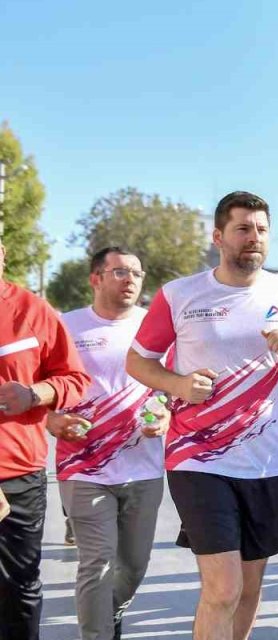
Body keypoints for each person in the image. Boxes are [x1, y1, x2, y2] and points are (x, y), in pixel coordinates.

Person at [127, 191, 278, 640]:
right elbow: (138, 361)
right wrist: (179, 385)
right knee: (223, 589)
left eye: (261, 229)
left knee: (248, 588)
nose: (253, 238)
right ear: (219, 236)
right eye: (243, 228)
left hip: (269, 462)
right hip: (197, 458)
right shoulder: (179, 295)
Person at [44, 247, 167, 640]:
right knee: (96, 562)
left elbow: (173, 389)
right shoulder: (66, 326)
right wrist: (53, 419)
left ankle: (109, 613)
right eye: (119, 272)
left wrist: (166, 415)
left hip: (144, 466)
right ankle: (97, 633)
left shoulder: (157, 328)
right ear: (95, 278)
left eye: (136, 272)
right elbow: (43, 388)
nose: (130, 279)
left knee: (132, 566)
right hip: (83, 466)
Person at [0, 237, 92, 639]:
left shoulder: (32, 311)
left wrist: (34, 394)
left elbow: (75, 378)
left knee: (17, 586)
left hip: (17, 476)